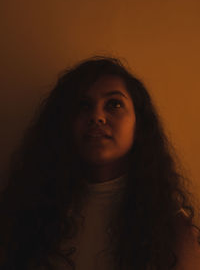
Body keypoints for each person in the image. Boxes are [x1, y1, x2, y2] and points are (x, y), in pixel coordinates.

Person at [0, 56, 200, 269]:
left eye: (114, 104)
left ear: (138, 124)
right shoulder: (27, 209)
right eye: (83, 105)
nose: (97, 116)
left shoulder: (170, 225)